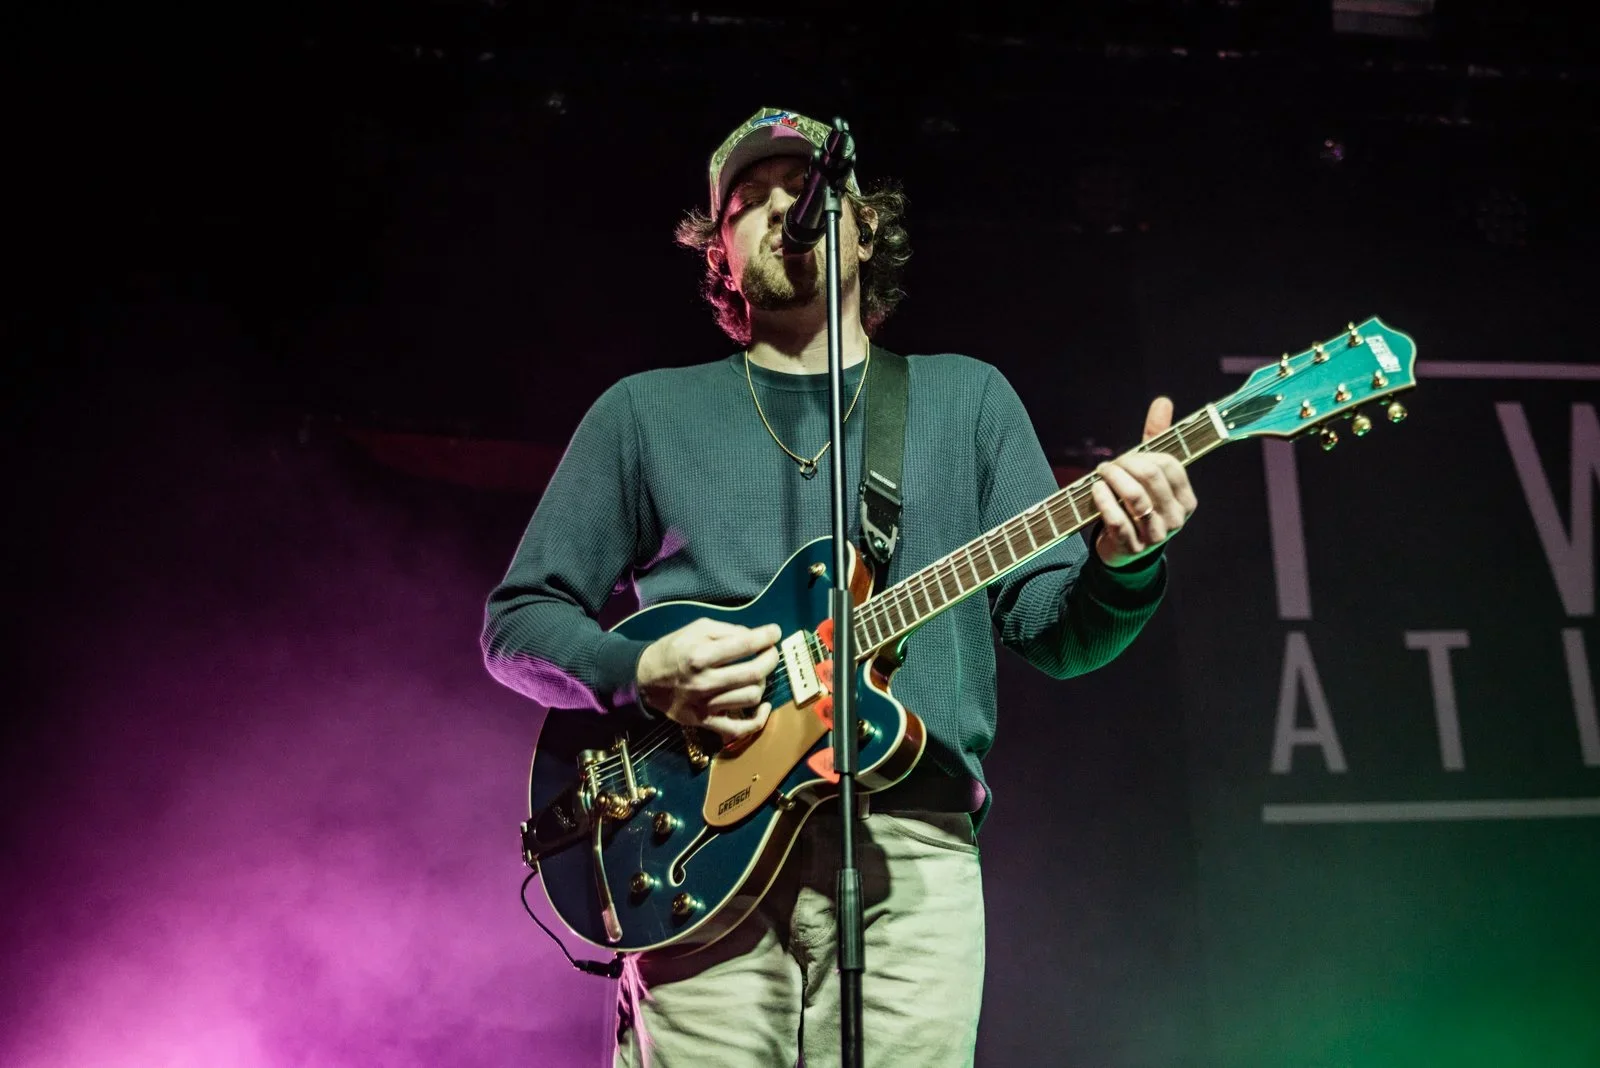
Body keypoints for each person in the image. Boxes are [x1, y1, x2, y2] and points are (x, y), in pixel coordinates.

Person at [481, 107, 1197, 1068]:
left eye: (811, 188)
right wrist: (640, 667)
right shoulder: (643, 413)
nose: (785, 205)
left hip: (910, 856)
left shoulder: (968, 398)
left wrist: (1123, 558)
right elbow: (516, 623)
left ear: (865, 227)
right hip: (692, 860)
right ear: (719, 258)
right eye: (749, 199)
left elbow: (1058, 635)